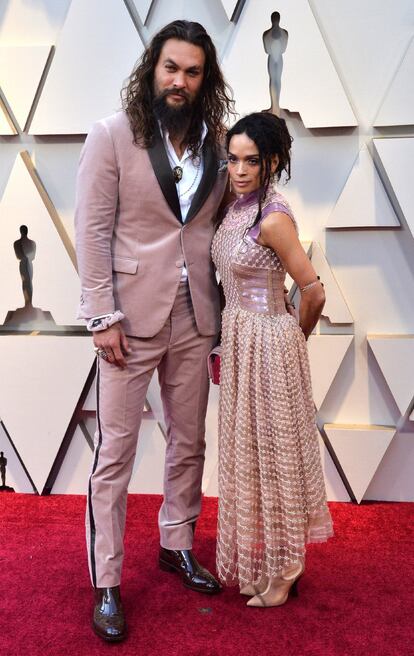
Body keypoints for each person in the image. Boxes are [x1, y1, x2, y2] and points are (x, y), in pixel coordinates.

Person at [75, 20, 233, 641]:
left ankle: (176, 543)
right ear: (153, 69)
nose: (180, 81)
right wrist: (101, 315)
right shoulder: (113, 136)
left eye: (192, 72)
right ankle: (107, 581)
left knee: (187, 440)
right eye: (171, 68)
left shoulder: (218, 145)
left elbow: (215, 229)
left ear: (205, 80)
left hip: (196, 316)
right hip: (128, 321)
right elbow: (91, 229)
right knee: (114, 454)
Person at [212, 112, 333, 608]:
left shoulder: (273, 218)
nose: (239, 170)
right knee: (252, 453)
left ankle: (286, 567)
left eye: (251, 161)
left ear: (273, 162)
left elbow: (313, 292)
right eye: (233, 159)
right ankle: (270, 560)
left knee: (277, 456)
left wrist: (293, 339)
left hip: (270, 342)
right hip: (241, 338)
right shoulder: (238, 206)